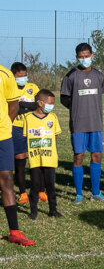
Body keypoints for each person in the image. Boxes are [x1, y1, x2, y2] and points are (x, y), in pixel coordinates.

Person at [60, 42, 104, 202]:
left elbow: (100, 94)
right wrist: (77, 109)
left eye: (87, 56)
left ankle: (96, 192)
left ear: (92, 56)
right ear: (77, 57)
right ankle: (79, 194)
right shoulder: (70, 76)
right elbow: (64, 99)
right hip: (78, 124)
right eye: (81, 57)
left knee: (97, 156)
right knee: (78, 157)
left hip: (96, 124)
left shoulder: (99, 75)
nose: (84, 59)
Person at [0, 62, 33, 245]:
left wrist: (5, 126)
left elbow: (13, 106)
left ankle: (14, 231)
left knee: (7, 180)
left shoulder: (5, 75)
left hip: (3, 136)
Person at [22, 90, 62, 219]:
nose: (52, 106)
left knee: (50, 185)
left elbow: (55, 136)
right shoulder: (28, 118)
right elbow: (26, 136)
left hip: (49, 158)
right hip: (35, 158)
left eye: (53, 104)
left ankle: (53, 210)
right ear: (40, 103)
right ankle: (33, 211)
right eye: (50, 103)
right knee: (35, 185)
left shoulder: (53, 117)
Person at [10, 62, 43, 204]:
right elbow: (11, 108)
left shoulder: (33, 87)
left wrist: (20, 105)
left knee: (38, 159)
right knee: (20, 160)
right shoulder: (9, 88)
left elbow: (38, 104)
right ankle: (23, 192)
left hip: (33, 127)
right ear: (13, 76)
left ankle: (41, 190)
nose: (23, 78)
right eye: (20, 76)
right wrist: (28, 107)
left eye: (25, 75)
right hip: (16, 128)